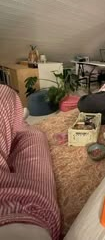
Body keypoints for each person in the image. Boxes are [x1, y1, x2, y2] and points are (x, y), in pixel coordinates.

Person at [0, 84, 60, 240]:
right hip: (25, 215)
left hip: (22, 219)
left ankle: (19, 124)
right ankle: (19, 124)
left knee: (34, 135)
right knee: (5, 92)